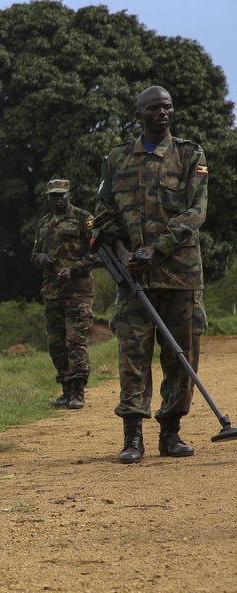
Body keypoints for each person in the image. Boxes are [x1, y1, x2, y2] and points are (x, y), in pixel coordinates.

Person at [93, 85, 208, 464]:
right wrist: (125, 253)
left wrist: (154, 249)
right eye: (155, 108)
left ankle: (171, 433)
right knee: (132, 355)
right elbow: (104, 214)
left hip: (180, 274)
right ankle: (132, 438)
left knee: (181, 356)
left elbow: (195, 213)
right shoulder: (116, 158)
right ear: (139, 114)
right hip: (134, 279)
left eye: (168, 107)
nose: (163, 113)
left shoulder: (190, 155)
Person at [30, 179, 100, 409]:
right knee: (56, 344)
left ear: (69, 194)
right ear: (47, 197)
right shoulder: (44, 223)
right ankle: (66, 390)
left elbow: (99, 253)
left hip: (78, 293)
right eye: (53, 196)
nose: (57, 199)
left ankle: (78, 391)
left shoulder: (83, 218)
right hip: (51, 292)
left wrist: (73, 268)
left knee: (76, 341)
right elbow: (34, 254)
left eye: (61, 195)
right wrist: (40, 259)